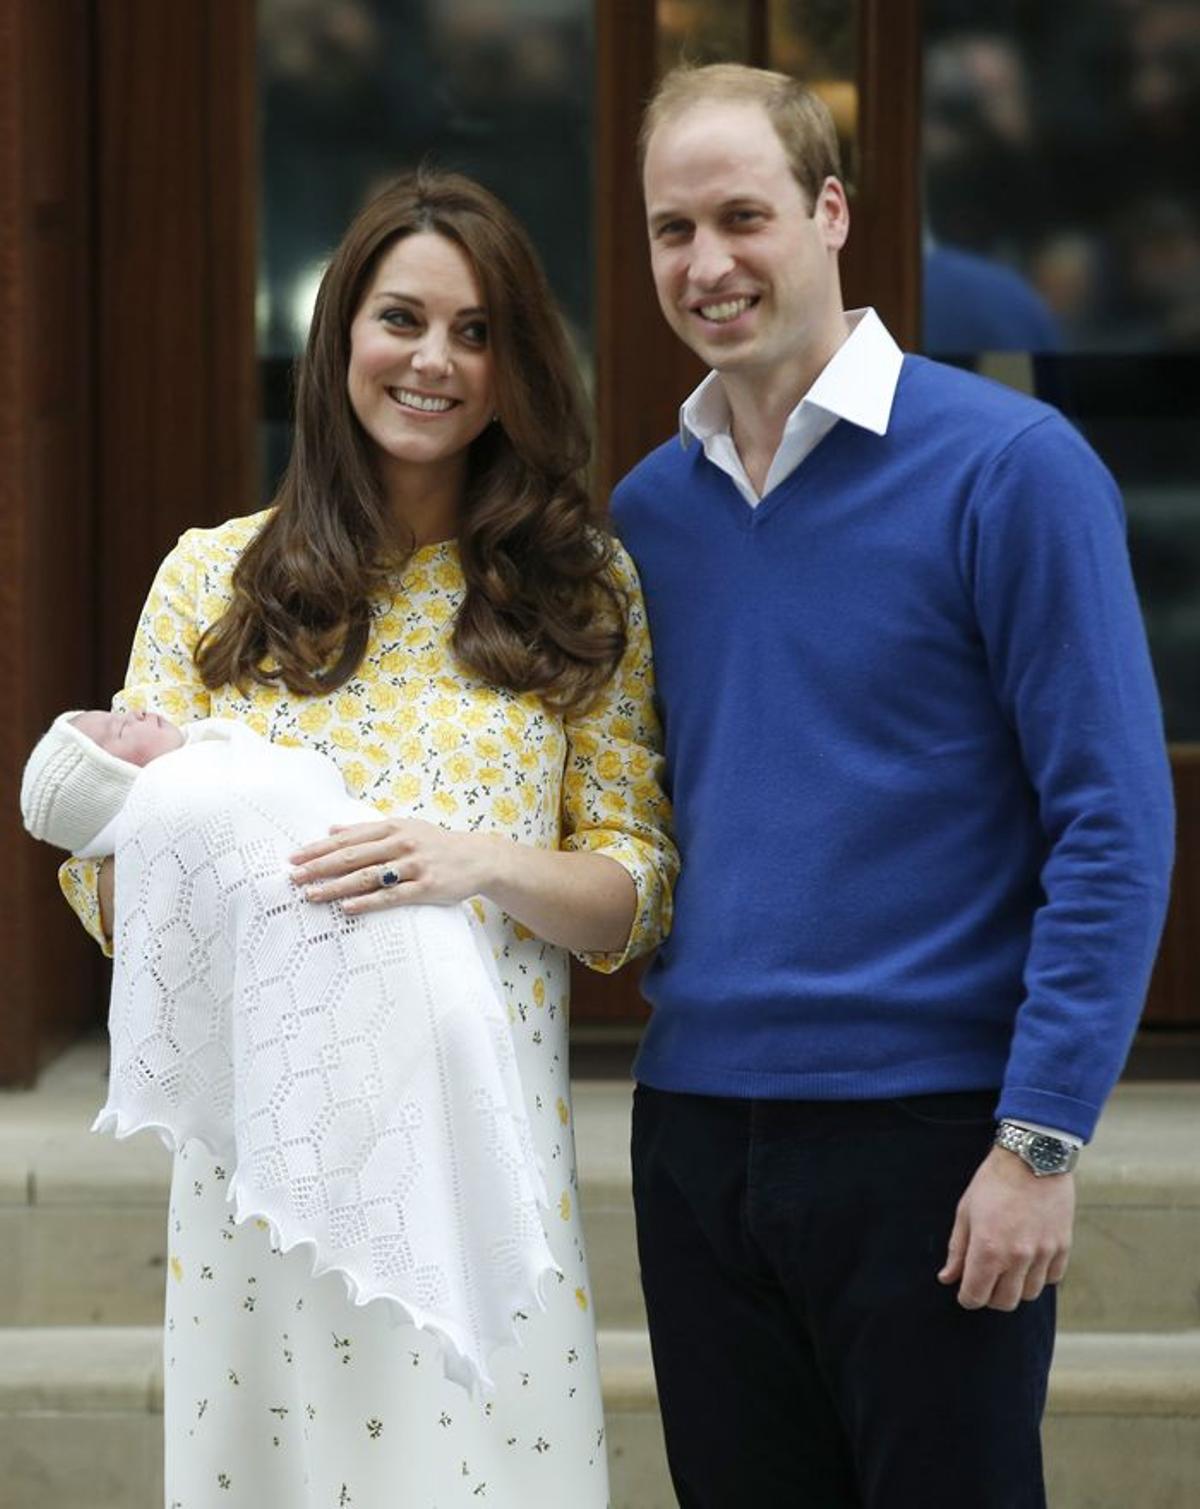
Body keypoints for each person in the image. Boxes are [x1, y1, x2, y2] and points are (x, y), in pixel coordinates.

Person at [52, 169, 676, 1507]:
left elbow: (635, 893)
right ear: (341, 335)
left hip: (483, 1160)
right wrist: (150, 827)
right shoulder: (214, 579)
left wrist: (478, 863)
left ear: (515, 364)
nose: (434, 361)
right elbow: (102, 894)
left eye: (476, 330)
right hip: (262, 1169)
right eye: (402, 319)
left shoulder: (583, 589)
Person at [612, 63, 1174, 1509]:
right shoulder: (646, 512)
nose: (708, 262)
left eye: (743, 215)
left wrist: (1040, 1141)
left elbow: (1113, 821)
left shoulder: (1012, 470)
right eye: (673, 229)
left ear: (834, 212)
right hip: (691, 1135)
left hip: (930, 1137)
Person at [22, 707, 558, 1392]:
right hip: (336, 1040)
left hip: (452, 980)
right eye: (115, 735)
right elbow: (146, 865)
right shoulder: (186, 790)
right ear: (124, 781)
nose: (130, 712)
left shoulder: (216, 751)